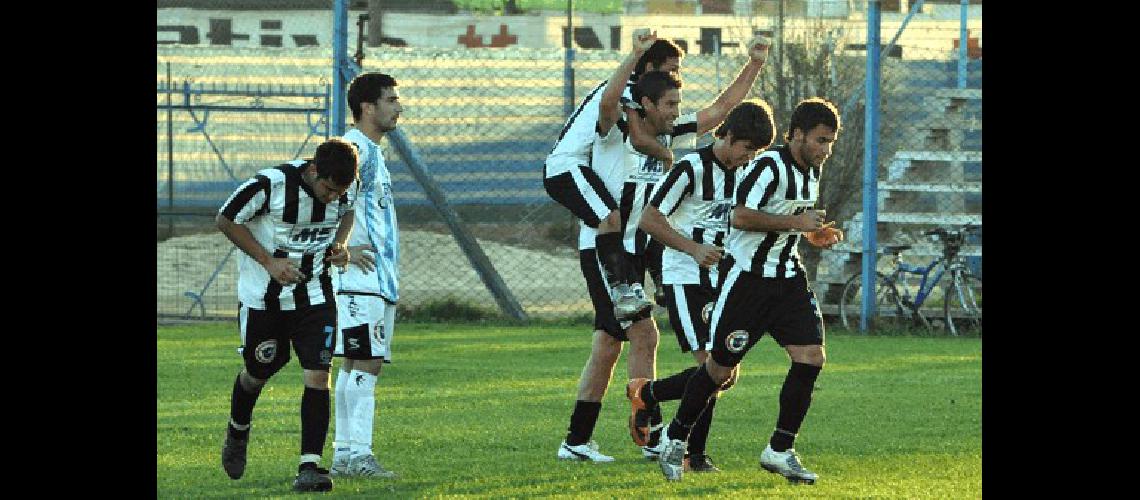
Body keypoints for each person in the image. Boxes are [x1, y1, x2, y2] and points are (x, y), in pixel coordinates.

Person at [556, 29, 771, 463]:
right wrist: (633, 56)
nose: (678, 100)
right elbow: (610, 104)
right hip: (607, 249)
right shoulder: (617, 125)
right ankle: (652, 433)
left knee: (608, 342)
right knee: (644, 334)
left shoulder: (671, 132)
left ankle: (577, 440)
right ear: (647, 94)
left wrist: (754, 65)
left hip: (637, 248)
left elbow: (720, 111)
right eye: (670, 91)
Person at [654, 97, 845, 483]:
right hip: (748, 282)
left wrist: (813, 233)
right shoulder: (769, 165)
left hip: (788, 278)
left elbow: (789, 221)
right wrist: (796, 223)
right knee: (719, 370)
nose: (826, 150)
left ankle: (780, 449)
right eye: (820, 140)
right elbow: (740, 216)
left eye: (830, 142)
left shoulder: (810, 172)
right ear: (796, 135)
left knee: (811, 357)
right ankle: (675, 440)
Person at [630, 99, 777, 473]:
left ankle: (648, 393)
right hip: (685, 275)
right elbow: (649, 219)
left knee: (724, 373)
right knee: (711, 367)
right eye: (746, 148)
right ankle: (694, 455)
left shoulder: (747, 174)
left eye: (756, 152)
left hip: (725, 280)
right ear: (724, 135)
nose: (749, 157)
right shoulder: (690, 167)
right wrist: (693, 248)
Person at [217, 138, 361, 492]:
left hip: (316, 297)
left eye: (338, 191)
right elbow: (225, 219)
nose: (332, 197)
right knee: (257, 372)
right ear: (313, 170)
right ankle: (238, 431)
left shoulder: (347, 187)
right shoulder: (270, 185)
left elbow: (348, 212)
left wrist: (339, 245)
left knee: (318, 374)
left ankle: (309, 466)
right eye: (327, 189)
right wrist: (269, 261)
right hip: (264, 302)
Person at [541, 34, 685, 322]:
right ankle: (622, 291)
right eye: (670, 69)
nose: (675, 75)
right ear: (649, 67)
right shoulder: (628, 90)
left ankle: (658, 283)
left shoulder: (642, 95)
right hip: (566, 166)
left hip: (584, 167)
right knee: (611, 218)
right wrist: (666, 155)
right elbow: (632, 132)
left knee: (650, 214)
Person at [328, 72, 403, 479]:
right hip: (361, 280)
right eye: (391, 100)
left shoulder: (371, 151)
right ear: (368, 107)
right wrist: (342, 250)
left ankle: (344, 454)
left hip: (374, 280)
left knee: (355, 364)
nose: (398, 107)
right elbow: (331, 201)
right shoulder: (354, 151)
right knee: (366, 364)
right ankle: (358, 455)